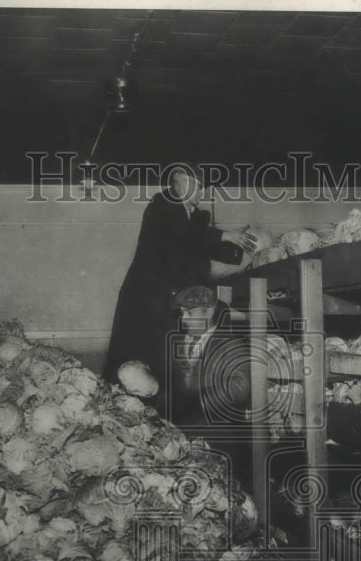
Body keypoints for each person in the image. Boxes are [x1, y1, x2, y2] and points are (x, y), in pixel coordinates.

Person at [102, 164, 257, 396]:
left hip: (168, 299)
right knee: (136, 360)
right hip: (148, 298)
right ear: (181, 183)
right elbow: (186, 234)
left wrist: (244, 249)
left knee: (160, 363)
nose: (201, 192)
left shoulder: (192, 217)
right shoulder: (163, 205)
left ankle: (166, 408)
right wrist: (226, 235)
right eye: (198, 186)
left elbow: (202, 244)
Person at [168, 285, 254, 487]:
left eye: (190, 312)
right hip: (184, 435)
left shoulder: (230, 343)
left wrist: (198, 400)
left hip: (219, 438)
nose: (184, 319)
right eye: (182, 313)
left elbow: (240, 387)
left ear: (209, 311)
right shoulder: (180, 342)